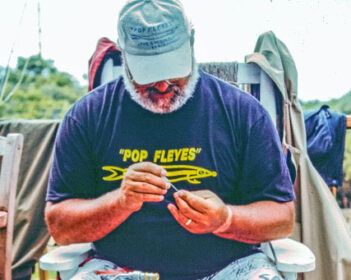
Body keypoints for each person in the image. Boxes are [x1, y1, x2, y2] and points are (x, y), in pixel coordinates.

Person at [45, 0, 295, 279]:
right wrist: (120, 202)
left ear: (192, 44)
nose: (163, 86)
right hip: (118, 268)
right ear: (124, 55)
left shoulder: (244, 113)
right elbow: (59, 226)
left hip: (229, 268)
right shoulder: (87, 116)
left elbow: (282, 219)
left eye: (173, 71)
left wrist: (225, 219)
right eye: (148, 76)